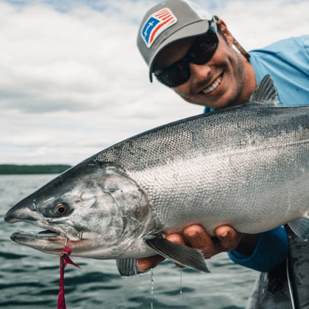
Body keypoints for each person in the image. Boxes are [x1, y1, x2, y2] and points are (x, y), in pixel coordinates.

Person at [136, 0, 309, 308]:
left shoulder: (302, 55)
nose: (200, 73)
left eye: (202, 48)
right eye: (174, 72)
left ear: (224, 31)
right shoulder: (200, 161)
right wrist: (242, 239)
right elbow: (275, 256)